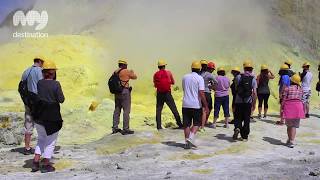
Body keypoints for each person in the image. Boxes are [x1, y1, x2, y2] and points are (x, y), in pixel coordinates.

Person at [32, 60, 65, 173]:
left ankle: (35, 163)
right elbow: (61, 99)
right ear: (52, 72)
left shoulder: (39, 83)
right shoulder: (56, 84)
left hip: (39, 117)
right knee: (51, 141)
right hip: (52, 118)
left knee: (41, 139)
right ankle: (46, 165)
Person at [20, 57, 44, 155]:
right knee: (42, 124)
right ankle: (42, 148)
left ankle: (27, 148)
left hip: (28, 102)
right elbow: (42, 85)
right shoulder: (40, 71)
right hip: (37, 101)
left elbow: (22, 85)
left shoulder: (26, 71)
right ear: (40, 61)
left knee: (28, 124)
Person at [182, 61, 209, 149]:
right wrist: (205, 105)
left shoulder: (185, 77)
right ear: (199, 69)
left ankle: (187, 143)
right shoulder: (199, 78)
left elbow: (184, 89)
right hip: (196, 105)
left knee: (186, 124)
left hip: (185, 104)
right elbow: (201, 93)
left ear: (191, 68)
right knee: (197, 123)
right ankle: (191, 138)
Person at [153, 60, 183, 130]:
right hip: (167, 93)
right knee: (174, 109)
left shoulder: (155, 74)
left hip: (159, 94)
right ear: (164, 66)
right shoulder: (168, 73)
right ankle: (179, 124)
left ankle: (159, 126)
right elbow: (173, 82)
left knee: (158, 110)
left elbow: (155, 85)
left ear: (158, 67)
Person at [233, 61, 257, 141]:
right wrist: (254, 103)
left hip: (238, 101)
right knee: (247, 119)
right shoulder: (253, 79)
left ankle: (237, 127)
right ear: (251, 69)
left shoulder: (238, 77)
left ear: (244, 68)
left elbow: (236, 88)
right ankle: (244, 136)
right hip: (248, 102)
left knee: (237, 117)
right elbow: (254, 93)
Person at [112, 59, 137, 135]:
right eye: (126, 65)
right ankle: (126, 129)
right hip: (125, 92)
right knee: (126, 110)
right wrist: (132, 72)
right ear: (124, 65)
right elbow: (135, 77)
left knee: (117, 110)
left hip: (117, 93)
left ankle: (115, 128)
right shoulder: (126, 71)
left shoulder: (115, 72)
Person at [281, 74, 305, 148]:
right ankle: (291, 140)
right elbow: (302, 99)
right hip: (298, 107)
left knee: (289, 125)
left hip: (289, 107)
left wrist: (282, 107)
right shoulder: (301, 89)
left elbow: (284, 99)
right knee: (294, 126)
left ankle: (290, 140)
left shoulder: (287, 88)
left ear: (292, 81)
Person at [199, 61, 217, 131]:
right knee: (208, 108)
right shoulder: (209, 74)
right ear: (209, 68)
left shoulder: (199, 73)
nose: (212, 70)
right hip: (206, 93)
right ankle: (203, 123)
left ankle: (200, 122)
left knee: (201, 109)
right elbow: (216, 82)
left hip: (199, 93)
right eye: (212, 69)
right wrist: (211, 87)